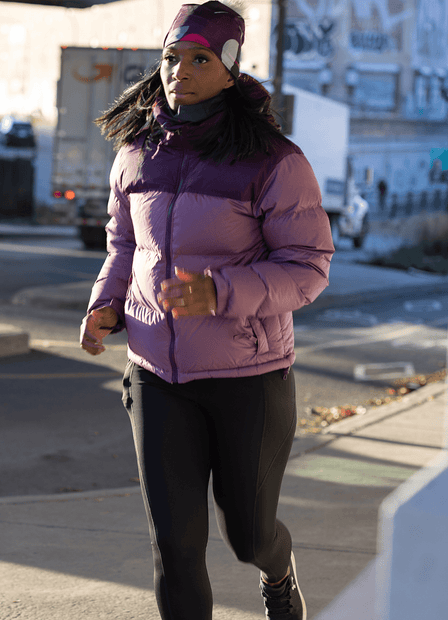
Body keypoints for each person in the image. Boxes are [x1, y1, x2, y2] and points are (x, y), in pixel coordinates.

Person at [79, 2, 334, 618]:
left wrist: (220, 291)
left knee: (249, 537)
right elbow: (124, 246)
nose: (179, 71)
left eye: (198, 59)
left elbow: (308, 267)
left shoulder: (273, 160)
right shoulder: (137, 152)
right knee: (176, 547)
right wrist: (106, 304)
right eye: (171, 57)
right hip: (156, 375)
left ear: (228, 68)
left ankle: (278, 574)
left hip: (249, 376)